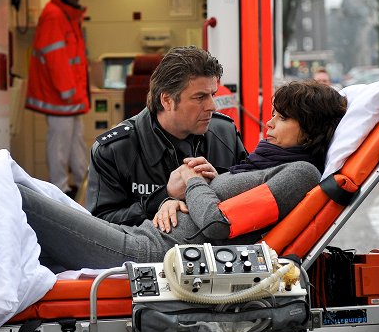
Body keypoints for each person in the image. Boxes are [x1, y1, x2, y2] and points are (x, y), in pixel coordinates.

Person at [19, 79, 348, 270]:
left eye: (281, 118)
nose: (268, 124)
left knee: (16, 195)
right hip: (144, 238)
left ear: (309, 131)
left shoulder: (300, 174)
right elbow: (221, 210)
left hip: (148, 253)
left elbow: (219, 223)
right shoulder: (264, 165)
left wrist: (193, 183)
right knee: (19, 205)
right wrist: (173, 199)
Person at [86, 46, 248, 226]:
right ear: (167, 100)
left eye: (213, 94)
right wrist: (163, 197)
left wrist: (220, 186)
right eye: (200, 97)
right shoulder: (114, 150)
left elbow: (251, 200)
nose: (212, 106)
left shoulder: (225, 134)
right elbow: (100, 226)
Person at [26, 0, 89, 199]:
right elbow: (56, 58)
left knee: (75, 142)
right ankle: (60, 188)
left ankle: (86, 183)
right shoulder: (54, 16)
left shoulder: (69, 16)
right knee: (60, 143)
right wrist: (67, 91)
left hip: (70, 95)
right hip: (61, 96)